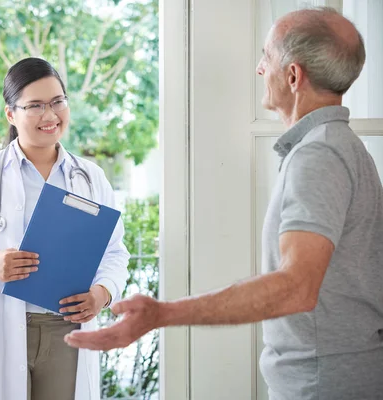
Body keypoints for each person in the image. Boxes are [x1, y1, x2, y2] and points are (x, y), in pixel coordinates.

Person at [65, 7, 383, 400]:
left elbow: (296, 288)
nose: (258, 69)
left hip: (323, 384)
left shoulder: (319, 156)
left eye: (266, 56)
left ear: (293, 76)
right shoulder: (341, 146)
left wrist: (162, 314)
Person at [0, 57, 129, 400]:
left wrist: (102, 293)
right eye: (35, 106)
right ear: (11, 114)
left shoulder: (90, 178)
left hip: (65, 328)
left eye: (57, 102)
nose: (50, 115)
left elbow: (114, 252)